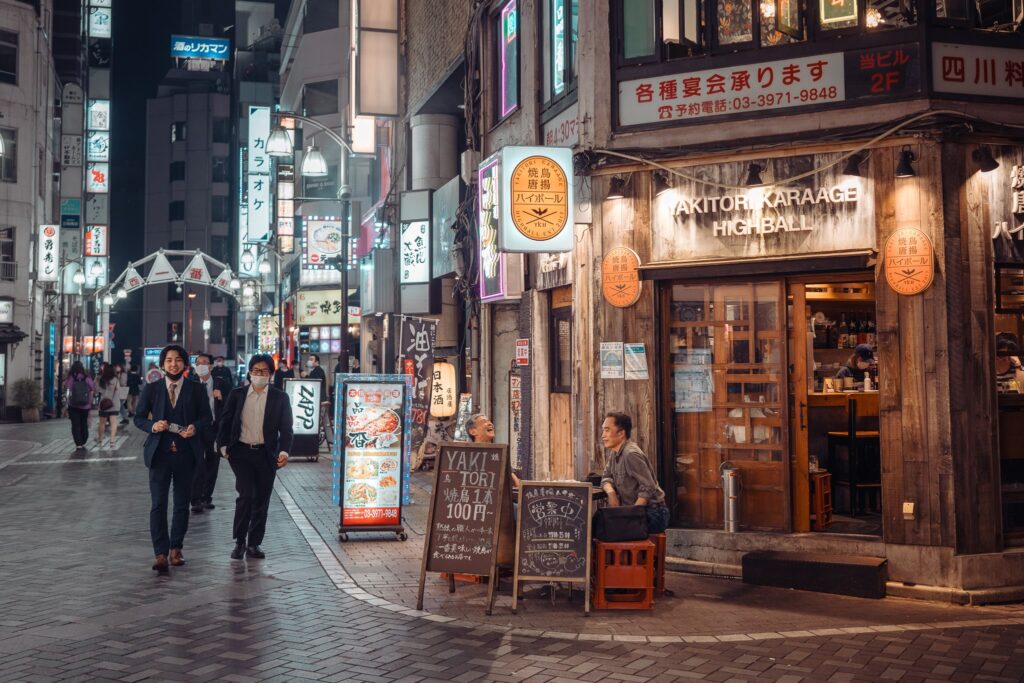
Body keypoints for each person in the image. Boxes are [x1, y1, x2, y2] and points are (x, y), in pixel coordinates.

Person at [134, 345, 213, 573]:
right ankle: (160, 553)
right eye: (169, 360)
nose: (173, 364)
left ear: (185, 364)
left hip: (186, 454)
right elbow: (138, 418)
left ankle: (176, 549)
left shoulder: (196, 389)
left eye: (178, 360)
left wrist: (194, 428)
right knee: (158, 504)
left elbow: (206, 418)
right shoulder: (152, 389)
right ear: (162, 364)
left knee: (181, 505)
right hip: (159, 454)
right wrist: (152, 425)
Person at [217, 354, 293, 561]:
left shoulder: (280, 398)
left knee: (262, 498)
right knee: (246, 495)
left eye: (265, 371)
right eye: (256, 371)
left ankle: (254, 543)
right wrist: (222, 446)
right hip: (240, 453)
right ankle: (239, 541)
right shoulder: (237, 394)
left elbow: (286, 429)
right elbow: (225, 421)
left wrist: (284, 451)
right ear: (250, 373)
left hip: (266, 454)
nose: (260, 375)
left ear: (271, 374)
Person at [599, 412, 669, 534]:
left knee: (605, 530)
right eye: (603, 431)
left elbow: (648, 487)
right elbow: (606, 477)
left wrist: (632, 516)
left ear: (621, 433)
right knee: (599, 524)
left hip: (652, 513)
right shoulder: (615, 452)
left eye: (607, 430)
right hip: (636, 511)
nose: (603, 435)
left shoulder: (630, 454)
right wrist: (611, 494)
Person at [190, 353, 231, 513]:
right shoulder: (191, 384)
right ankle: (195, 499)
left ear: (211, 366)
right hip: (197, 428)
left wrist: (222, 397)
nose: (201, 365)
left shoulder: (221, 383)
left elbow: (232, 404)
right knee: (197, 463)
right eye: (198, 363)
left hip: (215, 428)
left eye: (204, 363)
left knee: (212, 463)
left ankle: (206, 497)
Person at [63, 362, 94, 450]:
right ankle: (84, 440)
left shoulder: (71, 378)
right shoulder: (87, 377)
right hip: (85, 405)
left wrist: (67, 403)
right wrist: (90, 402)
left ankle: (78, 443)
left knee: (75, 424)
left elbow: (66, 388)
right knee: (84, 423)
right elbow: (92, 389)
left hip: (73, 405)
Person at [95, 364, 120, 449]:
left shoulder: (101, 379)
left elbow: (97, 390)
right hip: (114, 403)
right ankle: (112, 441)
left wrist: (97, 380)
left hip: (104, 404)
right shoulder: (116, 379)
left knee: (102, 423)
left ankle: (100, 440)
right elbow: (118, 390)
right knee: (113, 422)